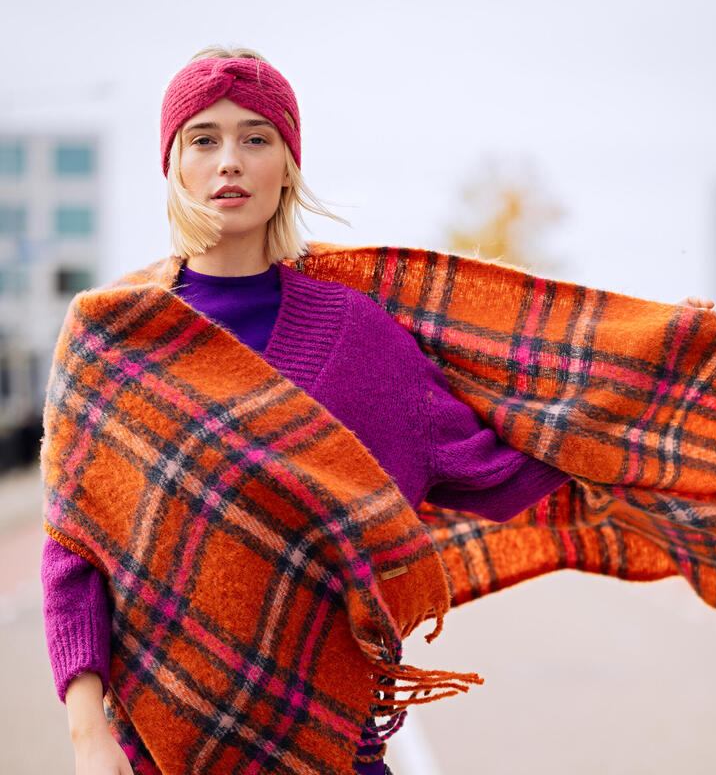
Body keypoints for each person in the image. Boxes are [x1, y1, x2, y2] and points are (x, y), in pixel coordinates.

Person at [41, 46, 587, 775]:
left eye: (255, 137)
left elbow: (493, 465)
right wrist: (87, 736)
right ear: (173, 165)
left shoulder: (359, 336)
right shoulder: (111, 340)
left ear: (288, 165)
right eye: (204, 138)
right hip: (159, 756)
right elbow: (72, 554)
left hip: (334, 748)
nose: (228, 160)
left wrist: (630, 410)